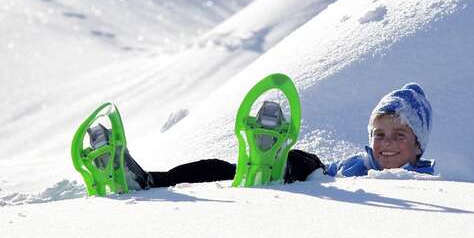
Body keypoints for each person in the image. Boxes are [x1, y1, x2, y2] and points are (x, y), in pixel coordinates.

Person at [88, 83, 434, 190]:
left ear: (419, 144)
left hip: (311, 190)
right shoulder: (359, 162)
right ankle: (143, 180)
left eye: (399, 135)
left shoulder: (424, 183)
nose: (386, 143)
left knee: (302, 162)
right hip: (310, 178)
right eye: (379, 134)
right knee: (215, 167)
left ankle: (272, 163)